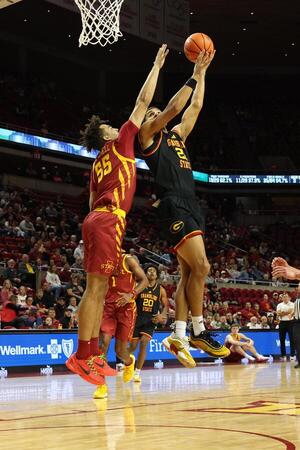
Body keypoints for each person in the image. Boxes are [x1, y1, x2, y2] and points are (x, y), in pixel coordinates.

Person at [66, 44, 169, 385]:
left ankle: (92, 353)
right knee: (96, 290)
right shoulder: (121, 142)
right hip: (109, 220)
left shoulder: (97, 163)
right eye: (111, 125)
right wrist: (155, 66)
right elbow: (142, 104)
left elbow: (92, 198)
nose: (116, 126)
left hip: (96, 217)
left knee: (95, 288)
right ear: (106, 134)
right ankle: (83, 356)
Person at [136, 50, 229, 368]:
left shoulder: (176, 137)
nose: (155, 116)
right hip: (172, 203)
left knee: (190, 272)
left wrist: (202, 73)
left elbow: (194, 107)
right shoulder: (148, 137)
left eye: (155, 114)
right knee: (202, 267)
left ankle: (178, 334)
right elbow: (176, 107)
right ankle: (200, 330)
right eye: (152, 114)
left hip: (190, 203)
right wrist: (192, 74)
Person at [93, 253, 148, 399]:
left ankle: (129, 362)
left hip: (127, 308)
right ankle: (101, 385)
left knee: (120, 351)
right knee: (103, 342)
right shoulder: (102, 260)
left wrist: (131, 294)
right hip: (108, 307)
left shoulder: (127, 260)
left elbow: (144, 280)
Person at [129, 264, 168, 382]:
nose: (151, 272)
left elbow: (166, 305)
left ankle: (137, 372)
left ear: (157, 275)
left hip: (151, 320)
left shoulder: (160, 289)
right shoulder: (139, 286)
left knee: (144, 343)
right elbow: (131, 301)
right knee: (132, 347)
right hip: (137, 318)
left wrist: (162, 315)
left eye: (153, 271)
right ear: (145, 274)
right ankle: (126, 364)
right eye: (149, 271)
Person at [276, 292, 295, 361]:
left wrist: (283, 312)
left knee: (292, 339)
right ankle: (283, 355)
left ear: (289, 297)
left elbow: (292, 312)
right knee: (282, 339)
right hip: (282, 323)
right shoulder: (279, 305)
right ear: (282, 298)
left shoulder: (293, 304)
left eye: (286, 296)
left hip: (290, 322)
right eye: (284, 297)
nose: (285, 298)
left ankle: (292, 355)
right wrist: (287, 312)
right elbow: (278, 314)